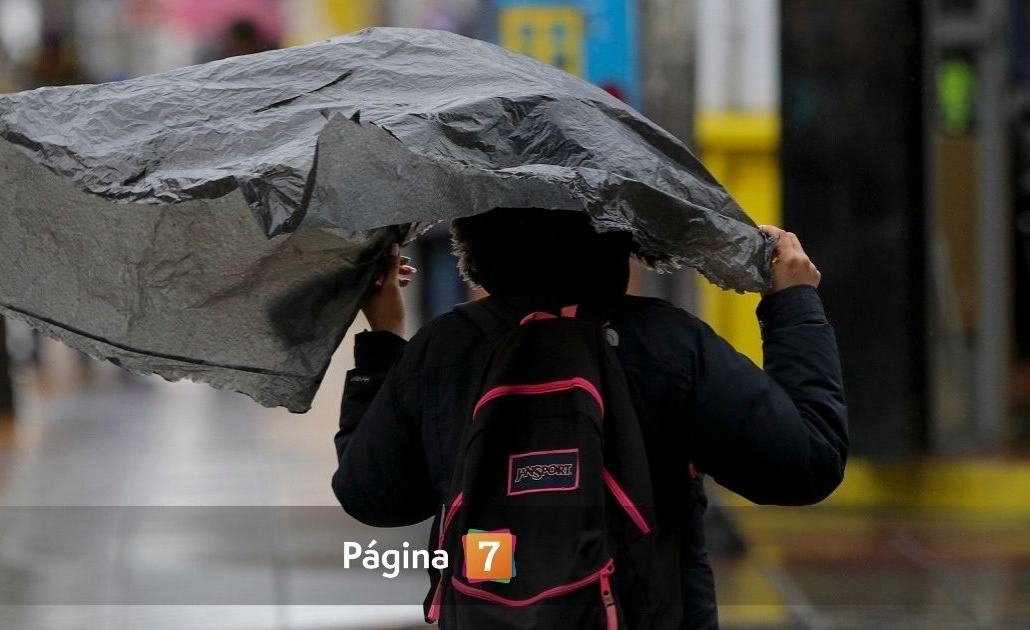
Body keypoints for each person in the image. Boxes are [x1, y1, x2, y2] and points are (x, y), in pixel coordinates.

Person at [332, 208, 848, 628]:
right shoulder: (667, 345)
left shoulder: (447, 348)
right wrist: (793, 304)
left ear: (480, 235)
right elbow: (807, 462)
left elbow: (372, 494)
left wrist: (383, 340)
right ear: (616, 230)